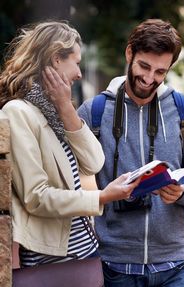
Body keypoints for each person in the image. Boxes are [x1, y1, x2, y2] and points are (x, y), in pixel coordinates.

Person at [77, 19, 184, 287]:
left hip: (174, 265)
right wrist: (104, 194)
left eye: (160, 71)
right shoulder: (94, 111)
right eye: (144, 66)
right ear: (129, 54)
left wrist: (182, 192)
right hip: (115, 265)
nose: (150, 79)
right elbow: (67, 177)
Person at [0, 21, 140, 267]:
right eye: (76, 62)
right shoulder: (18, 112)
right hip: (52, 259)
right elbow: (36, 197)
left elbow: (94, 162)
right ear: (56, 58)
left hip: (84, 250)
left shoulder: (54, 109)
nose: (79, 73)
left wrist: (66, 108)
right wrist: (101, 197)